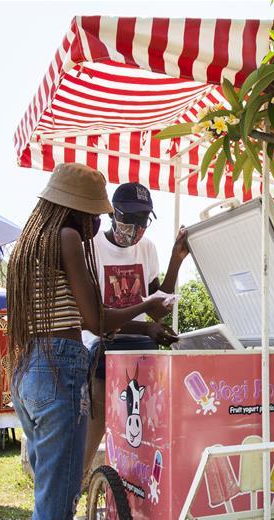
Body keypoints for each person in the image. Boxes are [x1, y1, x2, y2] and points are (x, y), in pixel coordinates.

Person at [6, 163, 167, 520]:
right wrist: (148, 305)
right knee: (55, 506)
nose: (98, 223)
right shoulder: (69, 237)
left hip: (28, 369)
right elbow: (94, 318)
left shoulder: (27, 244)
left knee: (52, 497)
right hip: (59, 367)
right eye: (94, 215)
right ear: (76, 210)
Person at [81, 181, 189, 484]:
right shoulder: (90, 249)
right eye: (129, 219)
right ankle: (77, 487)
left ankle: (142, 486)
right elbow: (94, 318)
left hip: (142, 345)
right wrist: (147, 327)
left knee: (150, 423)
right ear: (114, 214)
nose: (136, 227)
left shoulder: (147, 248)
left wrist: (176, 260)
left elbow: (156, 305)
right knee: (96, 426)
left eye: (143, 220)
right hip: (104, 345)